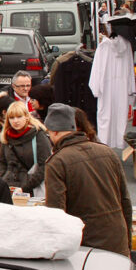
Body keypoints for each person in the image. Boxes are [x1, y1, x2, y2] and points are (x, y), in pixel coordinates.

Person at [44, 103, 132, 256]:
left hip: (86, 245)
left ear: (55, 131)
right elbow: (125, 200)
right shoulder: (107, 151)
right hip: (117, 239)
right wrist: (127, 242)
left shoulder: (57, 162)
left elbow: (56, 215)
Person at [0, 100, 52, 194]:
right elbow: (2, 162)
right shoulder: (5, 137)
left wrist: (26, 187)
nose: (15, 121)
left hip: (32, 188)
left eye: (19, 117)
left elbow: (45, 165)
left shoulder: (39, 136)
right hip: (9, 187)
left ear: (27, 117)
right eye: (12, 118)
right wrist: (2, 180)